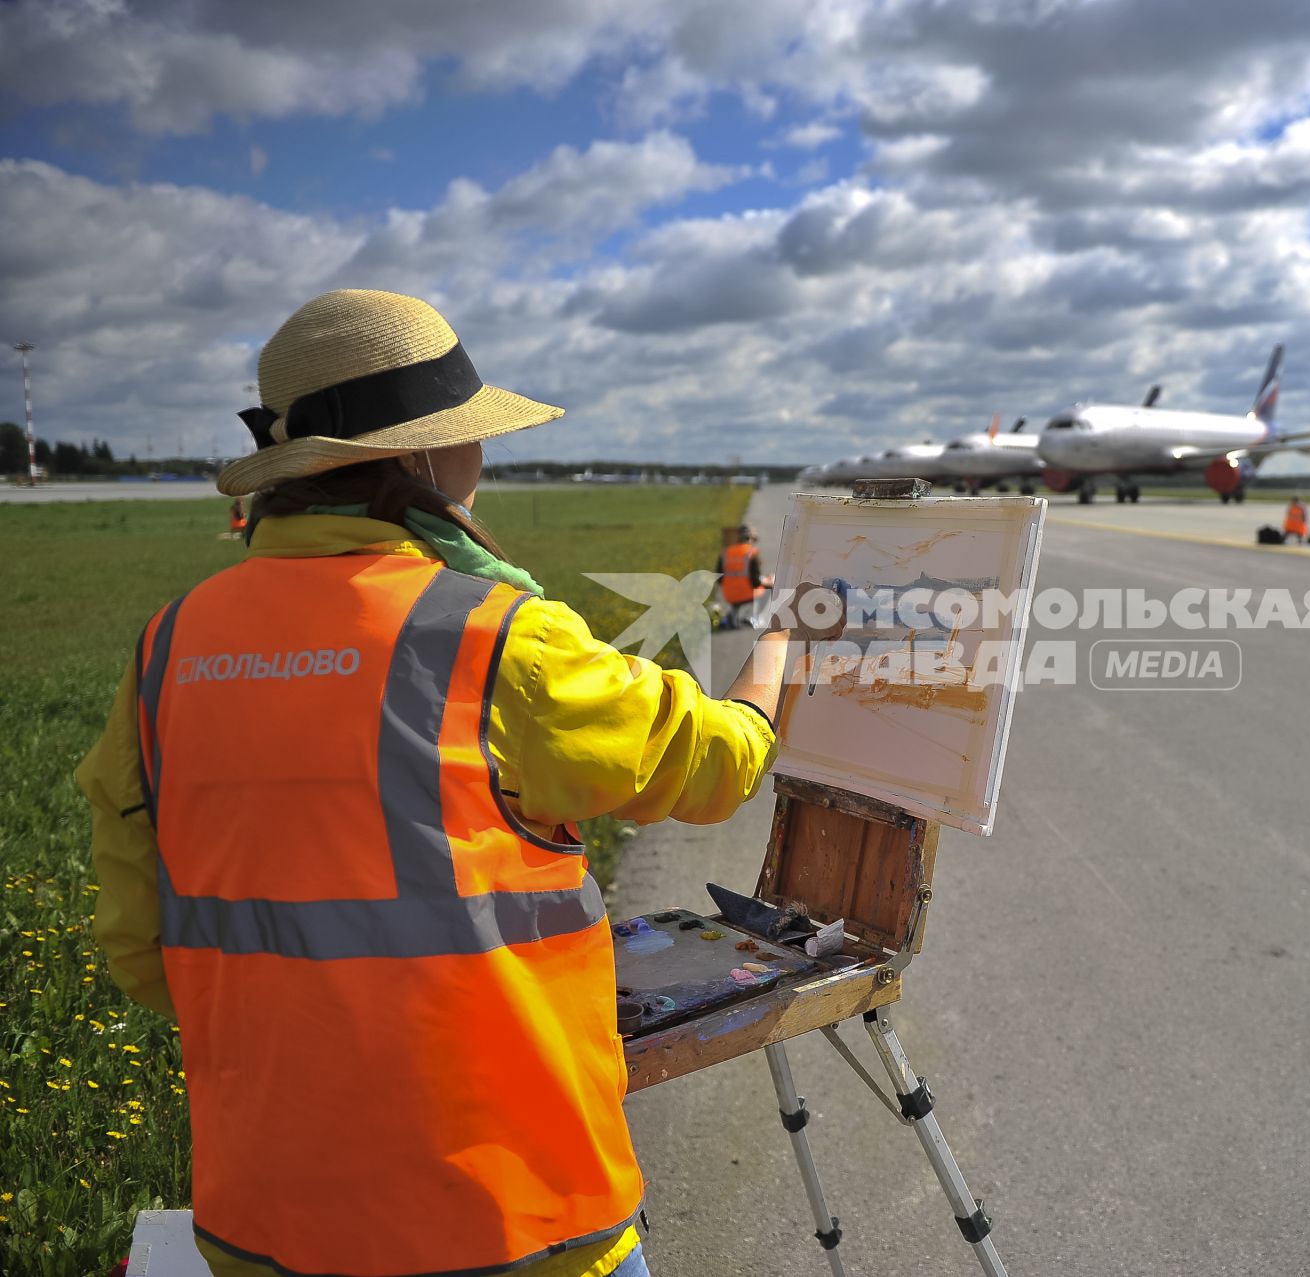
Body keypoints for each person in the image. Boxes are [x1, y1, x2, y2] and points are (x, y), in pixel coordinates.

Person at [75, 290, 813, 1277]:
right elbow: (713, 761)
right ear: (424, 459)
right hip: (513, 1215)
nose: (480, 459)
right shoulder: (492, 633)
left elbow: (139, 949)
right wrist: (776, 660)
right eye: (468, 438)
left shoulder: (168, 648)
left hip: (267, 1221)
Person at [716, 524, 766, 628]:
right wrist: (767, 582)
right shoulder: (751, 553)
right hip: (747, 594)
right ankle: (752, 618)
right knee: (765, 590)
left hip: (729, 595)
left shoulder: (726, 553)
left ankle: (733, 619)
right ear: (751, 539)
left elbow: (719, 578)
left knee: (736, 600)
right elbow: (755, 581)